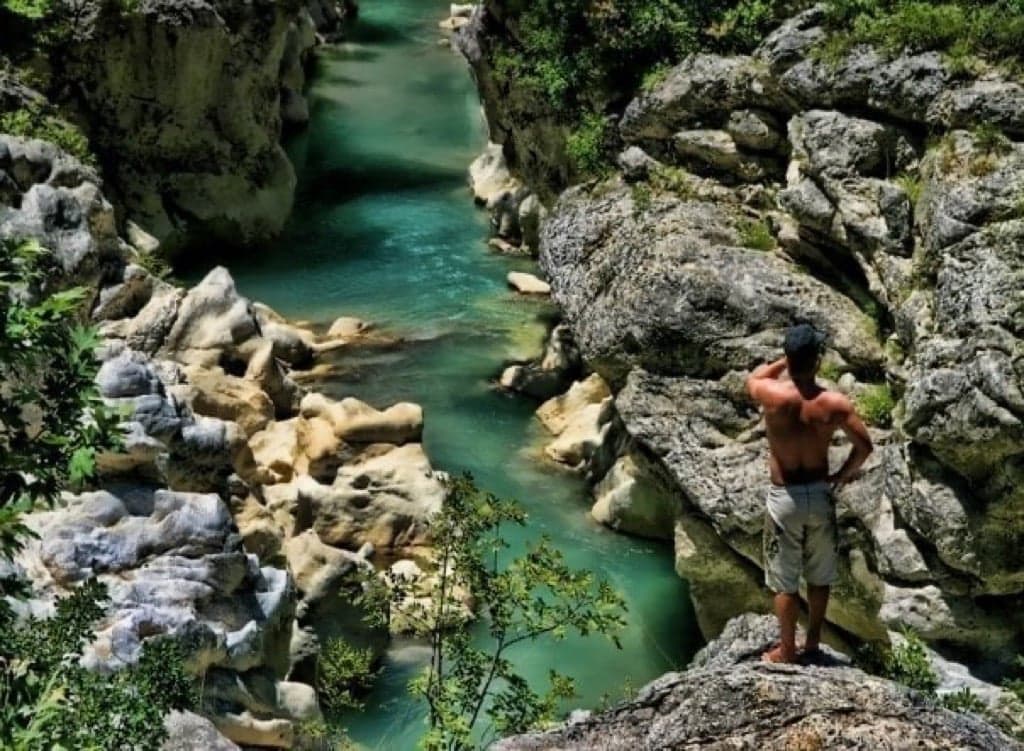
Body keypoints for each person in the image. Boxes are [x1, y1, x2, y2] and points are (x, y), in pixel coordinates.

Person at [745, 323, 874, 664]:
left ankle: (786, 651)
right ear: (817, 361)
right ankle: (813, 642)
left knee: (784, 581)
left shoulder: (771, 395)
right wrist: (840, 476)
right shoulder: (834, 403)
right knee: (820, 575)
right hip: (819, 494)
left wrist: (784, 361)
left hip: (784, 497)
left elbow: (754, 378)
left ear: (789, 358)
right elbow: (864, 446)